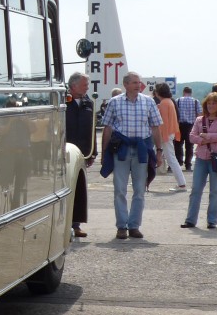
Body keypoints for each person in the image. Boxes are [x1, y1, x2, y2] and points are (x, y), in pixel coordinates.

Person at [100, 71, 163, 240]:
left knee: (139, 190)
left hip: (141, 148)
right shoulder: (114, 102)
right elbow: (107, 128)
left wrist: (159, 151)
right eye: (134, 82)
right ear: (125, 84)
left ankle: (134, 225)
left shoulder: (149, 102)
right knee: (119, 189)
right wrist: (104, 151)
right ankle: (122, 226)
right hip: (121, 149)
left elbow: (156, 127)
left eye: (139, 82)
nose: (138, 85)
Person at [183, 91, 217, 230]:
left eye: (214, 103)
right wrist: (204, 139)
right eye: (209, 103)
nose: (211, 106)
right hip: (201, 158)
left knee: (215, 191)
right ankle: (190, 220)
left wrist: (204, 136)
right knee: (196, 189)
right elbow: (192, 137)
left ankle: (212, 221)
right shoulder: (200, 120)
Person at [64, 72, 94, 238]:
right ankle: (64, 224)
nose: (87, 88)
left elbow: (92, 127)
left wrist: (92, 152)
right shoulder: (63, 100)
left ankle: (76, 225)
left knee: (78, 190)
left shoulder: (88, 102)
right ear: (73, 85)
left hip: (82, 152)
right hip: (64, 151)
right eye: (84, 85)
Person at [153, 82, 187, 191]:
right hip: (170, 133)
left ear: (158, 92)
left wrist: (162, 137)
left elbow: (163, 122)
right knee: (169, 158)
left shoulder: (164, 103)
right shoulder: (169, 102)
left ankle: (182, 184)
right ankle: (181, 183)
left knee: (167, 158)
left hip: (165, 134)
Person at [177, 86, 200, 170]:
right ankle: (188, 164)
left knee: (178, 145)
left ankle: (179, 161)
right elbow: (199, 114)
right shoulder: (196, 101)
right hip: (191, 125)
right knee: (190, 146)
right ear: (191, 93)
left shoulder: (178, 100)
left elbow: (175, 113)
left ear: (184, 92)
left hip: (180, 125)